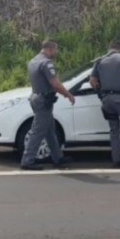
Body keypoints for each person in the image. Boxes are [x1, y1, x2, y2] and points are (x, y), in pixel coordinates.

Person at [20, 40, 75, 171]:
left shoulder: (33, 61)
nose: (56, 53)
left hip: (36, 97)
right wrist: (68, 94)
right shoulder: (46, 63)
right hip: (43, 100)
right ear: (49, 49)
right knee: (38, 131)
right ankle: (27, 160)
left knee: (50, 130)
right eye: (55, 50)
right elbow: (55, 83)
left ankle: (57, 157)